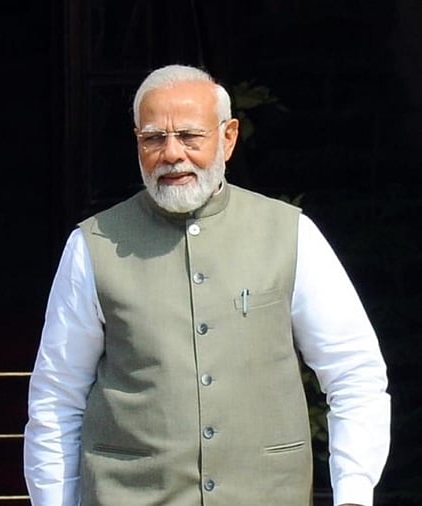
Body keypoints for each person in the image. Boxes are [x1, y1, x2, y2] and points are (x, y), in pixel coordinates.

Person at [23, 64, 389, 506]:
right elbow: (57, 399)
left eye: (190, 136)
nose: (172, 154)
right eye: (154, 138)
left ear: (228, 138)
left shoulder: (290, 233)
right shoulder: (92, 245)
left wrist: (353, 492)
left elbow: (354, 372)